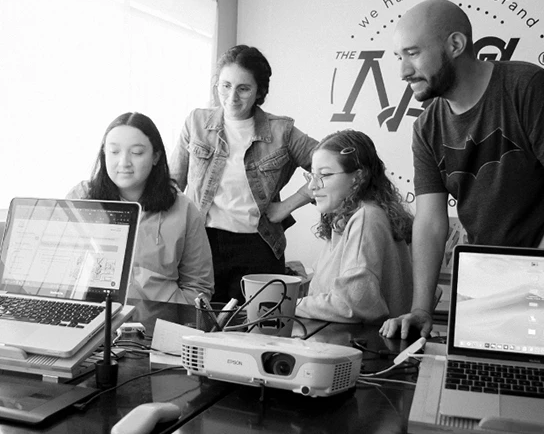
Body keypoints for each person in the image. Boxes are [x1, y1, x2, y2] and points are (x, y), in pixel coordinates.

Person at [381, 0, 544, 339]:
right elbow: (430, 223)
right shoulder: (426, 128)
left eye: (413, 53)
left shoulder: (526, 86)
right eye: (399, 57)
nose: (403, 71)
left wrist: (534, 282)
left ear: (455, 44)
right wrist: (421, 309)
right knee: (472, 372)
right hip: (488, 290)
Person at [170, 45, 318, 303]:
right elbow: (171, 185)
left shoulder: (282, 131)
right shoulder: (196, 122)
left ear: (260, 91)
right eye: (225, 86)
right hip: (202, 245)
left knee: (259, 326)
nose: (232, 97)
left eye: (243, 88)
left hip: (259, 247)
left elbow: (334, 165)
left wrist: (289, 204)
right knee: (203, 324)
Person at [66, 112, 214, 305]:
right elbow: (61, 270)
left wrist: (174, 316)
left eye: (136, 153)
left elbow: (198, 285)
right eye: (114, 151)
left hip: (160, 317)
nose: (124, 162)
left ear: (156, 156)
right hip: (96, 314)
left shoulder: (183, 209)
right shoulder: (82, 198)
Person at [294, 130, 414, 323]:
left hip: (361, 340)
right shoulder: (344, 218)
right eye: (312, 176)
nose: (312, 186)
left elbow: (352, 303)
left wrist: (289, 305)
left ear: (358, 177)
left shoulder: (367, 218)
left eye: (324, 175)